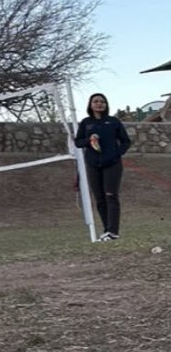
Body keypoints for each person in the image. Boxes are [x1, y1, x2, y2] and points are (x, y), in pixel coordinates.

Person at [74, 92, 132, 241]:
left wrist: (116, 153)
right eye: (96, 101)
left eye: (102, 102)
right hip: (93, 164)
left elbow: (125, 141)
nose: (99, 104)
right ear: (90, 105)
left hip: (112, 164)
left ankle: (113, 231)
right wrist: (89, 139)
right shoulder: (86, 123)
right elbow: (78, 142)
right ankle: (106, 230)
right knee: (100, 199)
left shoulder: (113, 122)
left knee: (110, 196)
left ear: (106, 105)